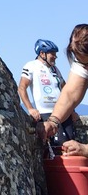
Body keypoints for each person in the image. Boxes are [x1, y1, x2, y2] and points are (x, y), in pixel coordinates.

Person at [44, 24, 88, 156]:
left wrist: (85, 149)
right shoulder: (82, 62)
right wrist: (53, 121)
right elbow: (70, 94)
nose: (85, 68)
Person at [18, 39, 75, 142]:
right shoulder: (31, 66)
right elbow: (22, 88)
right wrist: (30, 109)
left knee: (71, 142)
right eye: (52, 54)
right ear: (42, 53)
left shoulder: (55, 69)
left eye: (55, 54)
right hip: (45, 113)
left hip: (63, 112)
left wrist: (72, 110)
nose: (55, 56)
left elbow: (65, 89)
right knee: (58, 144)